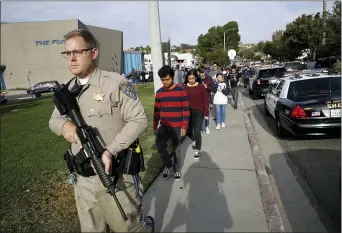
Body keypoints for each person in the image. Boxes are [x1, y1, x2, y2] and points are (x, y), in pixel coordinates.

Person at [48, 29, 154, 233]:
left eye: (78, 52)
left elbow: (138, 119)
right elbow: (53, 120)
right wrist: (65, 126)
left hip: (115, 176)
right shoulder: (68, 90)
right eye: (68, 53)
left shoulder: (116, 84)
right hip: (83, 182)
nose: (72, 58)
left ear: (94, 52)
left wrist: (110, 150)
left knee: (129, 228)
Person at [153, 65, 190, 181]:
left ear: (173, 77)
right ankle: (168, 165)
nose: (165, 82)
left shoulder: (181, 90)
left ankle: (176, 169)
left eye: (167, 79)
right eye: (163, 80)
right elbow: (157, 111)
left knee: (176, 149)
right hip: (164, 125)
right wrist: (155, 126)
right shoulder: (159, 93)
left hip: (177, 126)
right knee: (160, 146)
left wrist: (184, 126)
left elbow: (186, 110)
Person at [183, 69, 209, 159]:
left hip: (198, 111)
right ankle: (194, 140)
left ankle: (197, 150)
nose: (191, 80)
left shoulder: (200, 86)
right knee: (188, 131)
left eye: (193, 78)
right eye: (189, 78)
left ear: (196, 77)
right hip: (187, 112)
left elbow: (205, 99)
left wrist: (206, 112)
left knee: (197, 131)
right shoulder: (184, 87)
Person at [198, 66, 213, 134]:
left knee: (206, 114)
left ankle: (206, 127)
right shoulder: (196, 79)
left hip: (207, 98)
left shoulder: (209, 78)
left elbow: (212, 88)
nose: (202, 74)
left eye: (203, 72)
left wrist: (207, 87)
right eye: (201, 73)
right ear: (198, 72)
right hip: (199, 99)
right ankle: (200, 129)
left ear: (205, 72)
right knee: (200, 115)